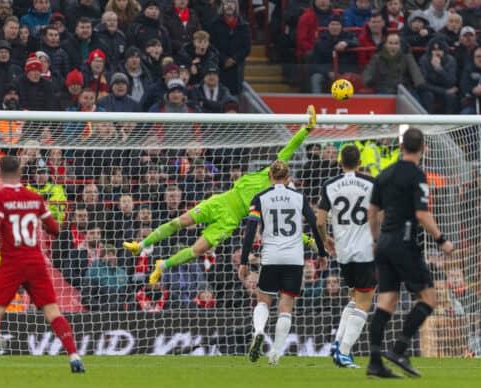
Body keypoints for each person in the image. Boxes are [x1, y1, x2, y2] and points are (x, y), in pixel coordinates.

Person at [123, 106, 318, 284]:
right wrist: (307, 129)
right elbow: (290, 147)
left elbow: (284, 229)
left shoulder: (271, 201)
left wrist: (308, 241)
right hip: (220, 202)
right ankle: (140, 245)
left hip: (230, 220)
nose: (277, 169)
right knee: (178, 222)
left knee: (197, 250)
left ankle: (162, 266)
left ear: (285, 180)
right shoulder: (266, 171)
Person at [0, 156, 85, 373]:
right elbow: (54, 228)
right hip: (35, 260)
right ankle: (74, 356)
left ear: (0, 173)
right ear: (22, 173)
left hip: (12, 261)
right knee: (52, 311)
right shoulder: (35, 198)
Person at [366, 128, 454, 378]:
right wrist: (442, 240)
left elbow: (372, 212)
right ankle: (399, 349)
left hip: (384, 243)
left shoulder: (384, 174)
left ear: (401, 146)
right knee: (428, 299)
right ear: (423, 148)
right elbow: (422, 214)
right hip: (405, 244)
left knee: (386, 303)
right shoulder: (417, 175)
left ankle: (375, 364)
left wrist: (376, 239)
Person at [239, 160, 327, 365]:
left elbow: (251, 231)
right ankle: (275, 354)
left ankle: (259, 331)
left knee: (263, 301)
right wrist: (321, 252)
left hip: (271, 257)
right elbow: (314, 224)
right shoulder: (299, 197)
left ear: (270, 176)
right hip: (294, 258)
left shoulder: (260, 198)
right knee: (286, 306)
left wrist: (244, 261)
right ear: (289, 178)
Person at [316, 144, 376, 368]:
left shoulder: (330, 185)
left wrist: (326, 239)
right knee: (365, 301)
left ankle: (338, 344)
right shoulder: (371, 183)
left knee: (354, 297)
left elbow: (320, 221)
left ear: (340, 162)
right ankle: (344, 351)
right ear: (360, 162)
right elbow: (378, 214)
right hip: (364, 250)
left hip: (342, 252)